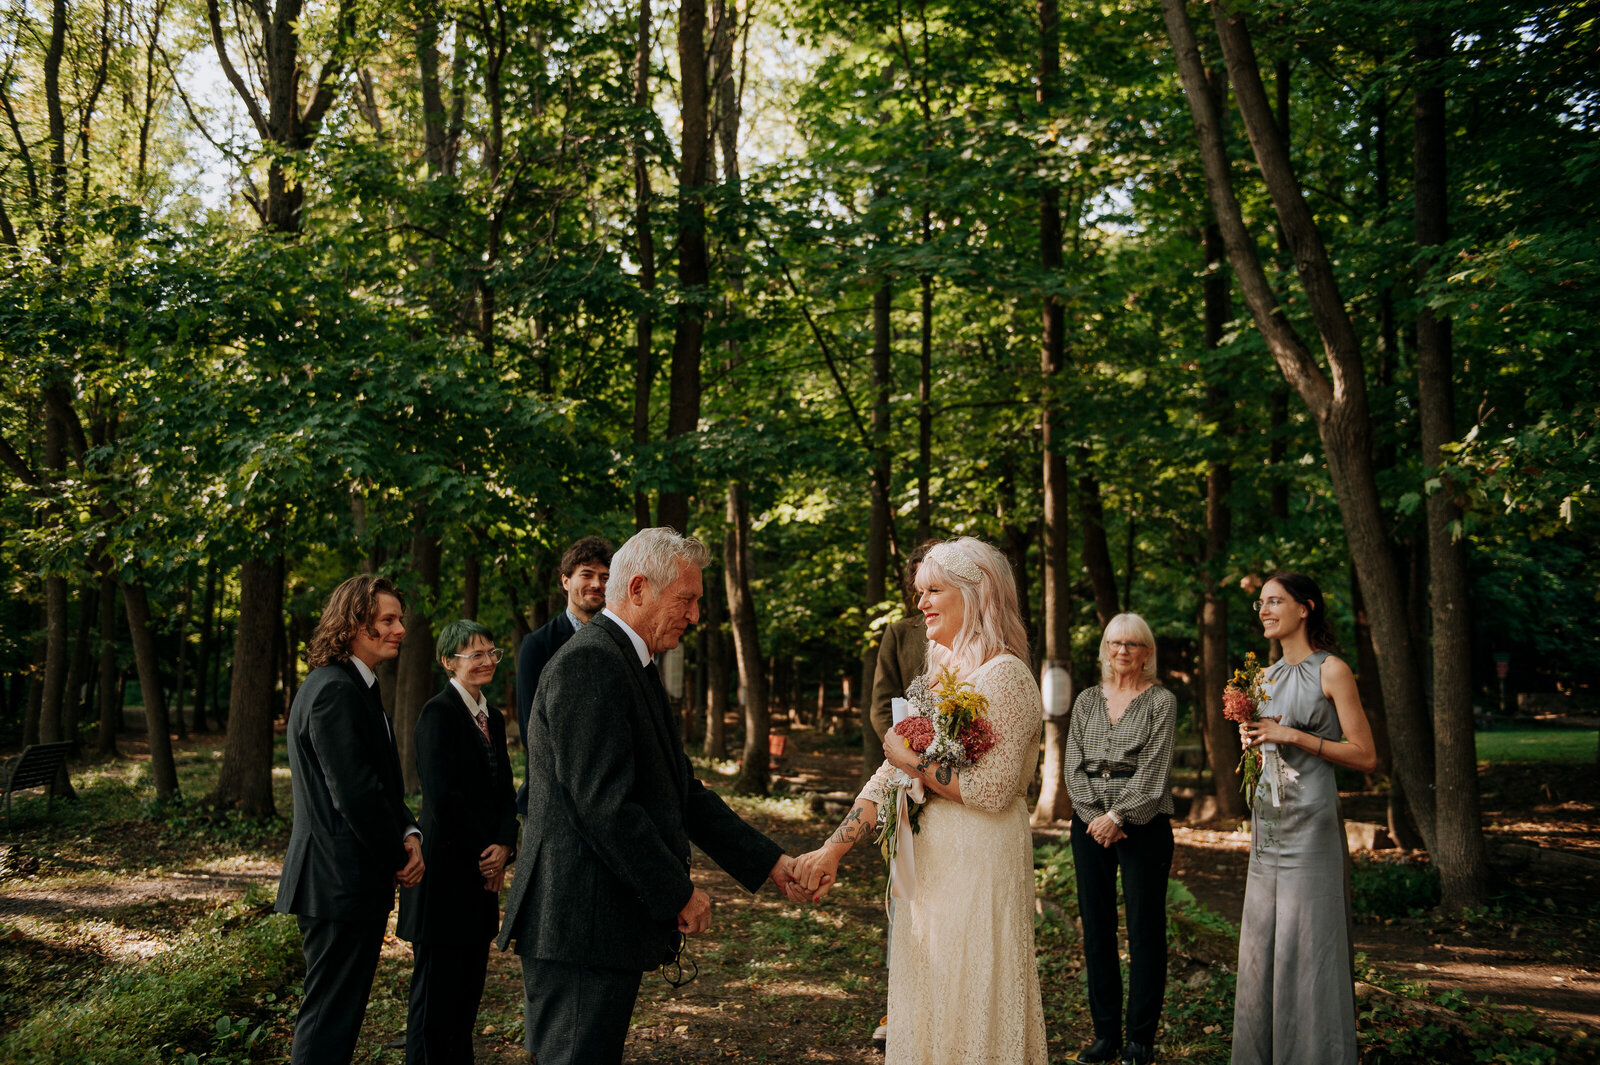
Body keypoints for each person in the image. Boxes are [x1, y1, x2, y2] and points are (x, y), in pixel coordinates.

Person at [496, 527, 806, 1065]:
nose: (693, 615)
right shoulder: (589, 663)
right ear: (638, 588)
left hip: (598, 926)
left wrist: (770, 861)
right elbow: (604, 806)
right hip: (577, 926)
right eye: (685, 600)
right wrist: (676, 892)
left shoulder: (629, 662)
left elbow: (681, 790)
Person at [795, 537, 1047, 1064]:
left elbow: (990, 790)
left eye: (934, 590)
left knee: (971, 995)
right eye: (919, 592)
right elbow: (889, 776)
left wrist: (907, 757)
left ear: (976, 594)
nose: (922, 602)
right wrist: (830, 852)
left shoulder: (1008, 677)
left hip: (981, 867)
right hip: (928, 875)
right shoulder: (938, 680)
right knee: (929, 1000)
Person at [276, 575, 425, 1065]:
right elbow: (355, 796)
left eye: (398, 618)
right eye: (387, 620)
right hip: (334, 882)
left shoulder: (358, 686)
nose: (399, 628)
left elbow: (378, 783)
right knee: (327, 1021)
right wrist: (397, 857)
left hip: (348, 881)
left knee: (339, 1019)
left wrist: (408, 830)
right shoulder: (333, 690)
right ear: (353, 625)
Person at [1232, 572, 1378, 1065]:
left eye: (1275, 601)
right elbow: (1266, 746)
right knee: (1262, 943)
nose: (1265, 610)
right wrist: (1254, 744)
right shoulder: (1261, 679)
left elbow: (1365, 755)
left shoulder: (1332, 671)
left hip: (1312, 824)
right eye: (1261, 604)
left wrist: (1292, 736)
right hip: (1268, 826)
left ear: (1306, 607)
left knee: (1310, 943)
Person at [397, 619, 518, 1064]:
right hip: (445, 875)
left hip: (483, 874)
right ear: (449, 662)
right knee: (435, 1002)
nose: (487, 661)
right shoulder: (438, 714)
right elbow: (443, 799)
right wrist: (482, 857)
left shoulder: (495, 717)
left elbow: (505, 789)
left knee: (467, 996)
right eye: (475, 654)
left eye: (491, 652)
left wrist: (505, 845)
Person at [1064, 613, 1177, 1065]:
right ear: (1104, 649)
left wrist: (1117, 815)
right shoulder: (1087, 700)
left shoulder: (1161, 701)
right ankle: (1105, 1035)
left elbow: (1155, 770)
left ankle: (1140, 1040)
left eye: (1133, 644)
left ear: (1147, 652)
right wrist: (1095, 817)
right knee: (1097, 929)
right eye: (1114, 643)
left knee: (1145, 930)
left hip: (1144, 826)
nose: (1122, 651)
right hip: (1089, 824)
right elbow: (1073, 762)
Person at [863, 539, 932, 1047]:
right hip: (905, 773)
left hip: (958, 776)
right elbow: (882, 704)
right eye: (919, 581)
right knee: (903, 888)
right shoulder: (898, 633)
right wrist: (909, 756)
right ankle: (897, 1007)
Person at [514, 535, 612, 813]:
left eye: (605, 577)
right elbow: (529, 728)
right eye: (587, 574)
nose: (596, 584)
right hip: (553, 798)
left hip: (608, 797)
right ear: (566, 581)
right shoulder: (537, 645)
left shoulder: (620, 645)